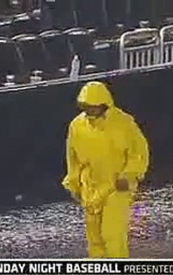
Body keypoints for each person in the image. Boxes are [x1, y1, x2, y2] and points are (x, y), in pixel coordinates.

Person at [63, 81, 150, 258]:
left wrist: (129, 174)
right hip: (91, 188)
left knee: (112, 234)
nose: (88, 110)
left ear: (103, 103)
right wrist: (73, 183)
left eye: (91, 106)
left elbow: (139, 151)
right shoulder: (77, 126)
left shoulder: (123, 123)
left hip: (117, 187)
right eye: (85, 106)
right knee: (94, 237)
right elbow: (72, 158)